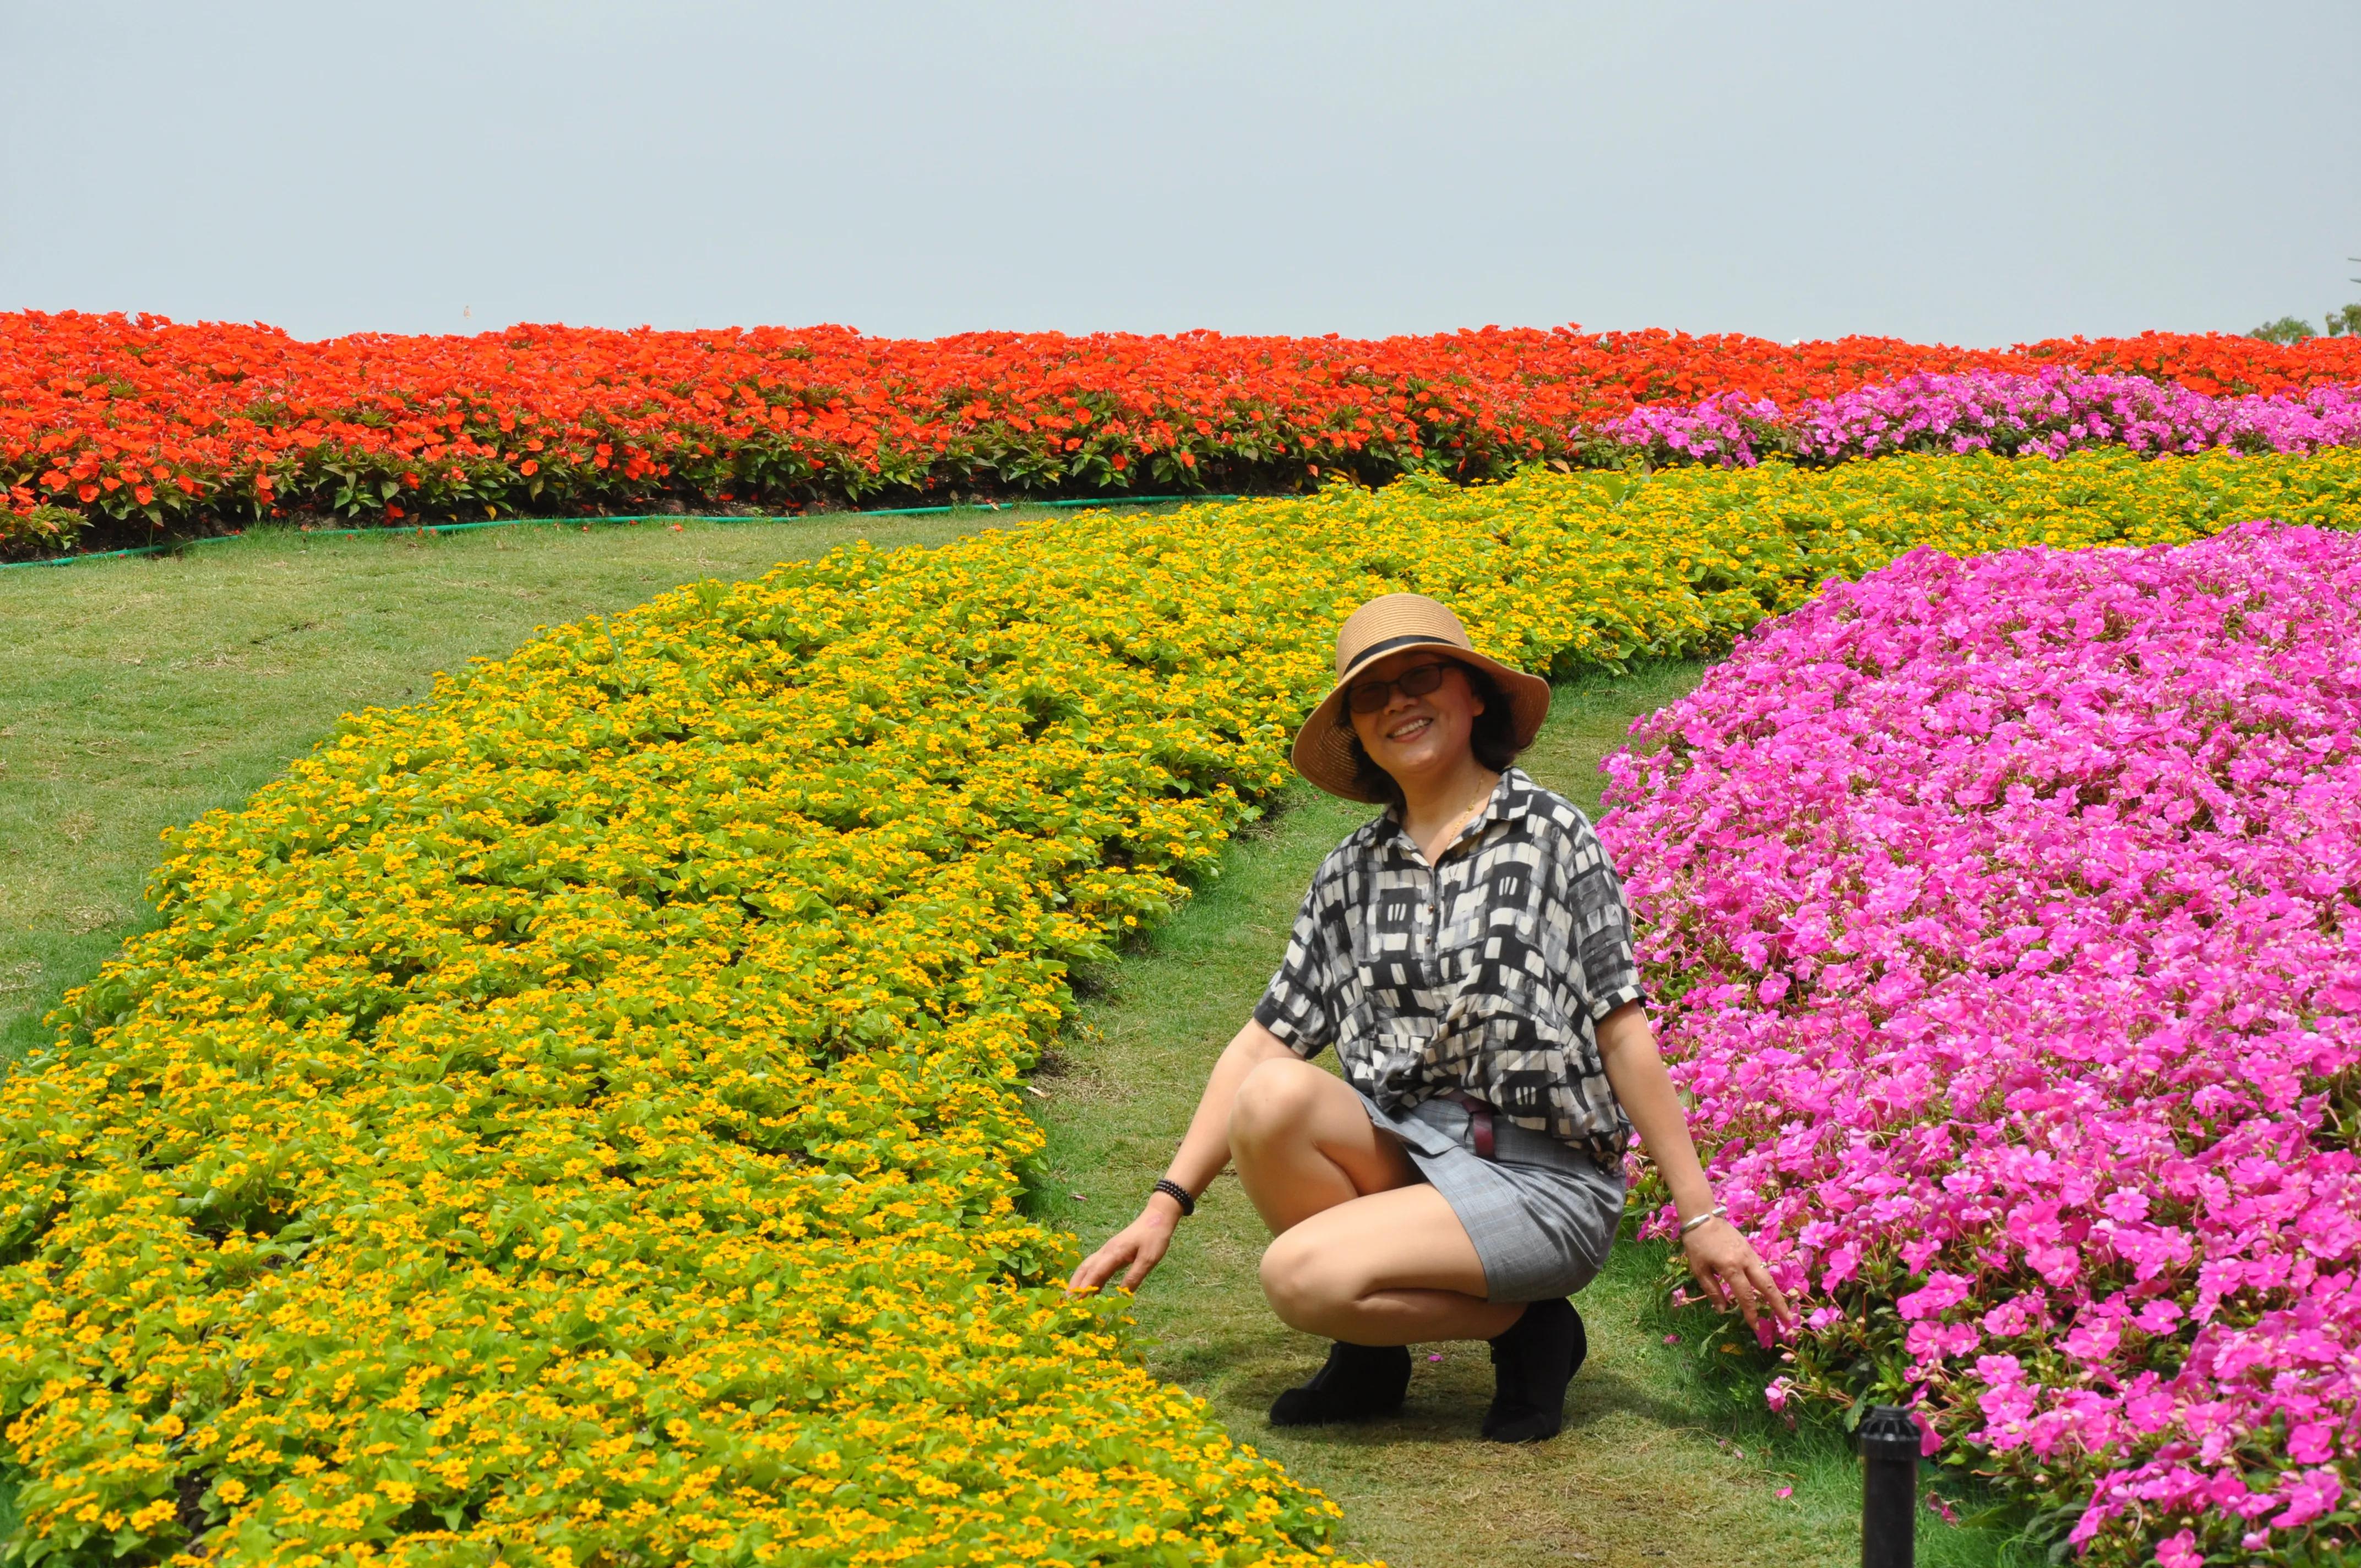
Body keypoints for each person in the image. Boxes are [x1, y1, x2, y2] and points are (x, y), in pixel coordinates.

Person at [1067, 592, 1796, 1441]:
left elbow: (1620, 1026)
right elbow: (1268, 1034)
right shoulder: (1351, 871)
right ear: (1357, 731)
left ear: (1475, 693)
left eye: (1421, 677)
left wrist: (1701, 1215)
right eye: (1371, 696)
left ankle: (1531, 1329)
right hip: (1416, 1153)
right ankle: (1372, 1358)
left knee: (1296, 1279)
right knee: (1270, 1097)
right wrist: (1165, 1204)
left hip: (1542, 1174)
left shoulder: (1553, 836)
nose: (1398, 704)